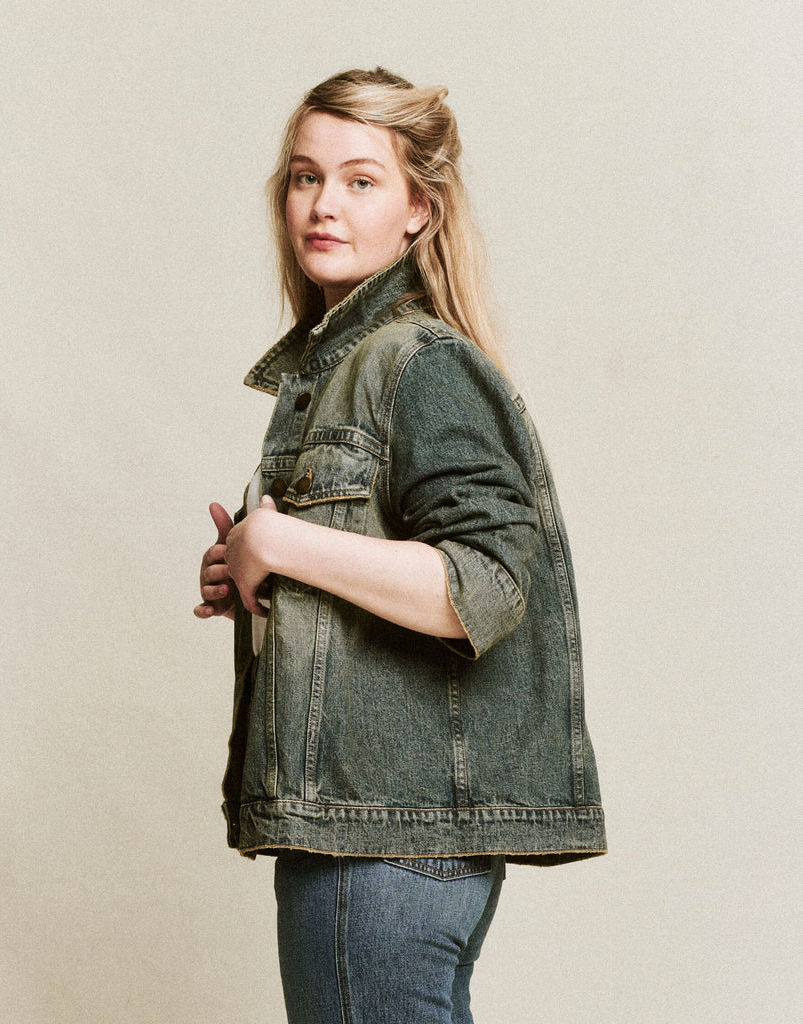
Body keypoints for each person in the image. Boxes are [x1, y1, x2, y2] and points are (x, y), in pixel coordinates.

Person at [195, 67, 605, 1024]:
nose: (324, 205)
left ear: (420, 208)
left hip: (382, 840)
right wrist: (259, 564)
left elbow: (485, 584)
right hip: (379, 830)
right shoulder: (338, 367)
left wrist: (286, 543)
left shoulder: (416, 361)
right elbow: (377, 561)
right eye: (306, 177)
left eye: (361, 180)